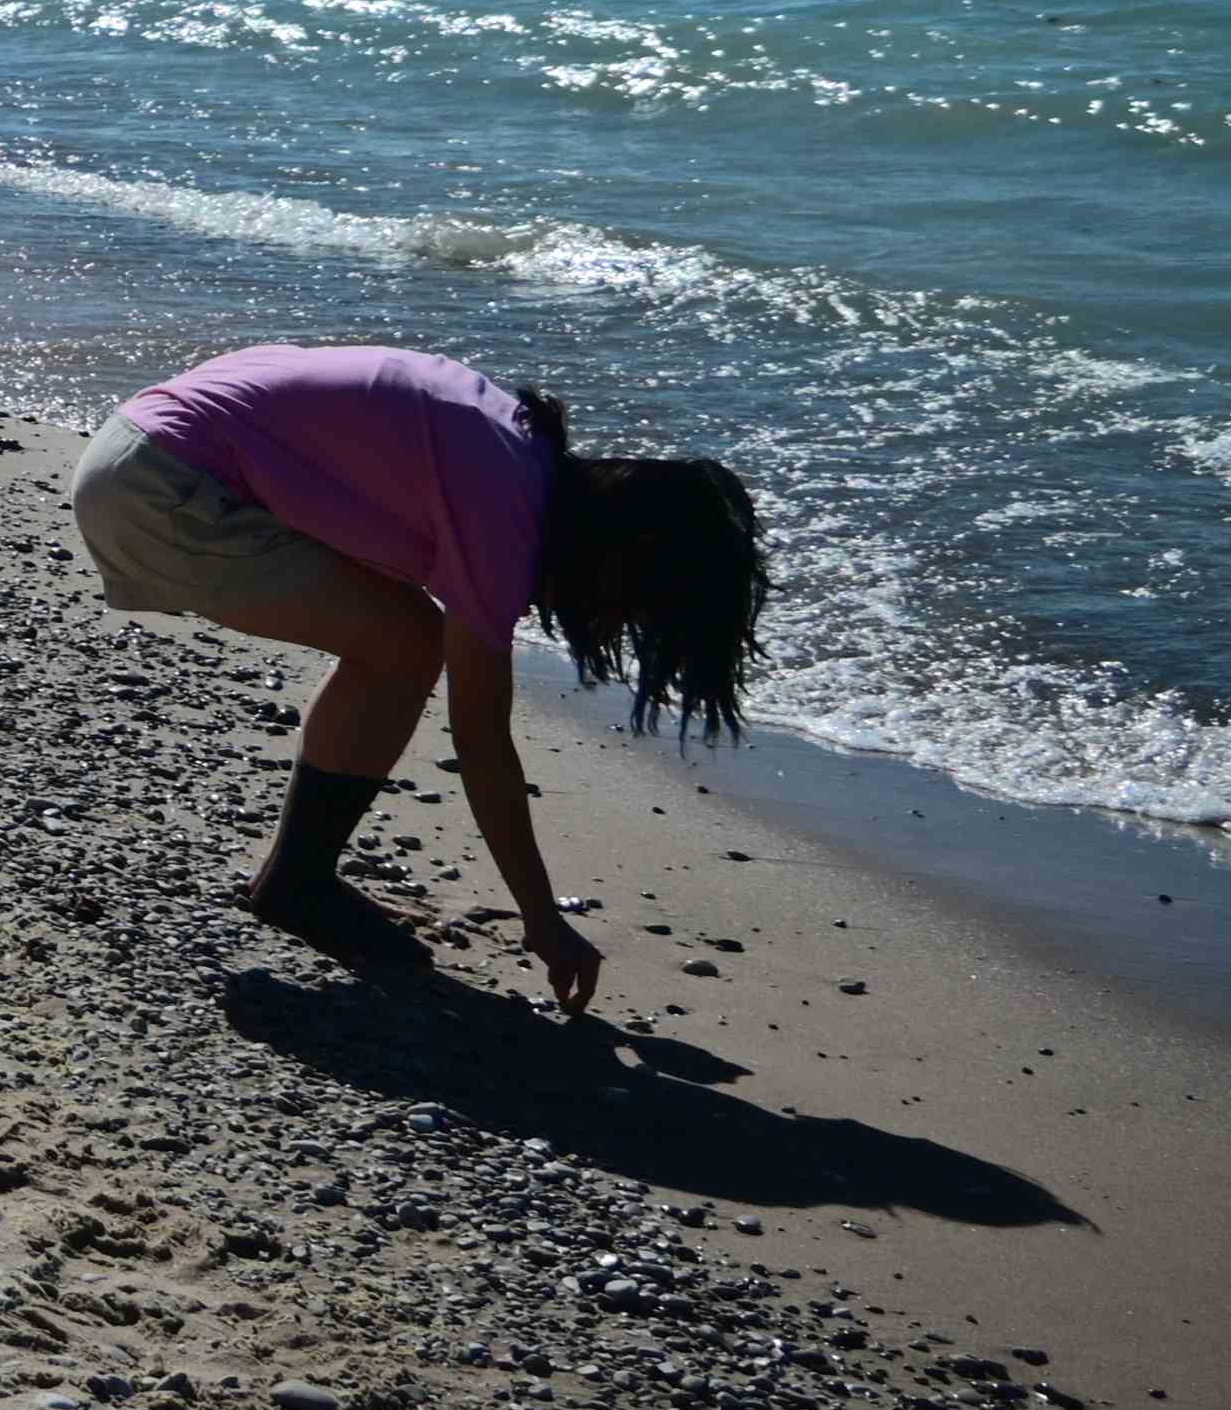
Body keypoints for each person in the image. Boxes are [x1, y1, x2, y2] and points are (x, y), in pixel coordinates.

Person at [68, 343, 764, 1009]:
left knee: (398, 637)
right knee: (403, 646)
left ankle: (297, 876)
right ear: (623, 556)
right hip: (160, 489)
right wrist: (541, 919)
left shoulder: (512, 449)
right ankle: (296, 882)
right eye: (633, 608)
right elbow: (482, 741)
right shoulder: (506, 515)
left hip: (143, 445)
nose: (617, 624)